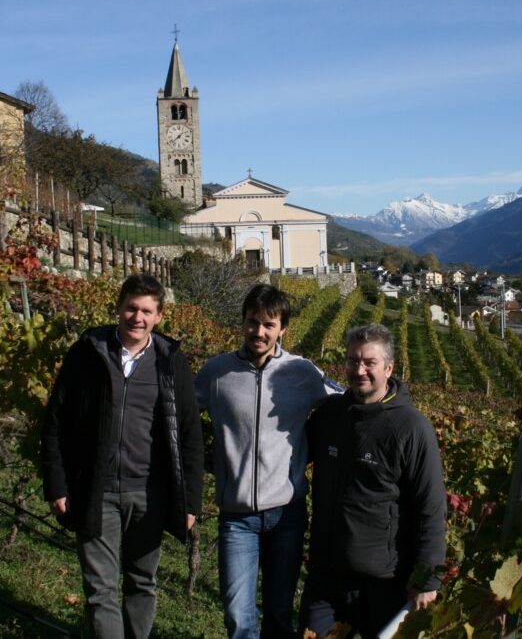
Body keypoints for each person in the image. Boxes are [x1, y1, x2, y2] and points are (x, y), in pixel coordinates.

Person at [40, 273, 203, 639]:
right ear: (118, 307)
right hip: (94, 490)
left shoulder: (170, 362)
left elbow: (189, 435)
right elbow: (55, 422)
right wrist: (57, 484)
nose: (137, 317)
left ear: (159, 316)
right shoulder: (87, 353)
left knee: (142, 583)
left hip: (151, 492)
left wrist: (191, 501)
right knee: (100, 590)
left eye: (147, 311)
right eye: (131, 308)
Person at [195, 283, 340, 639]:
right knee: (237, 613)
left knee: (278, 612)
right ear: (243, 322)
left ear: (282, 329)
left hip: (287, 512)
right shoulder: (216, 373)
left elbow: (344, 401)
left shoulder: (302, 372)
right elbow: (179, 414)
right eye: (251, 322)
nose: (258, 332)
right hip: (237, 515)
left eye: (268, 325)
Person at [301, 323, 447, 638]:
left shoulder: (411, 428)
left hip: (384, 583)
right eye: (353, 361)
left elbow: (431, 508)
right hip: (325, 576)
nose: (360, 370)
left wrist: (427, 580)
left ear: (389, 367)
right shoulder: (330, 415)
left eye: (370, 362)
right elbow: (289, 451)